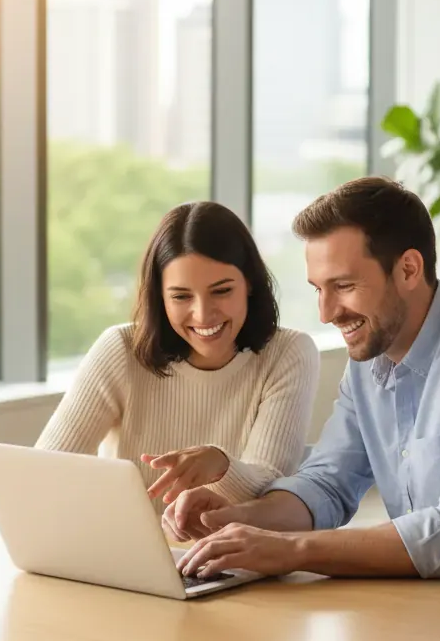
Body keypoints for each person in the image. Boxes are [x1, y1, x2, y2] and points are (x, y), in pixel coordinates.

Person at [170, 177, 440, 581]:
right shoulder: (370, 359)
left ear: (410, 269)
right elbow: (327, 483)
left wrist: (295, 550)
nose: (327, 313)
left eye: (344, 285)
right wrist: (236, 520)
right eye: (319, 289)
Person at [37, 201, 319, 510]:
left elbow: (271, 489)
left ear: (249, 283)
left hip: (236, 554)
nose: (203, 314)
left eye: (221, 291)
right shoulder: (120, 348)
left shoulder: (289, 353)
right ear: (160, 297)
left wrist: (221, 465)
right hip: (125, 551)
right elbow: (46, 470)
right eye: (181, 296)